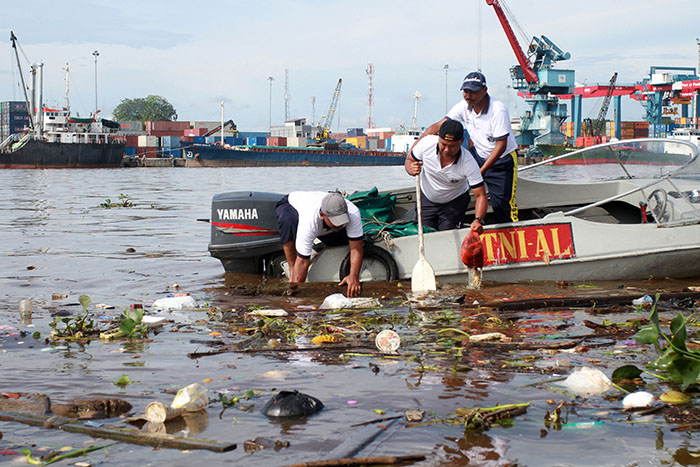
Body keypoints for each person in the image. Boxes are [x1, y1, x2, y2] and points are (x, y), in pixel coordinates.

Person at [415, 71, 519, 224]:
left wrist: (480, 172)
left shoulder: (498, 110)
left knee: (502, 206)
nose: (468, 95)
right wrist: (415, 149)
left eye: (473, 92)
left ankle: (510, 236)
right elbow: (439, 126)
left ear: (484, 91)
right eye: (465, 91)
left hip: (502, 160)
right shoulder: (464, 106)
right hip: (478, 154)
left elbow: (501, 145)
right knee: (460, 182)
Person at [405, 119, 488, 232]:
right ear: (438, 137)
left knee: (447, 235)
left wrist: (478, 220)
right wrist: (410, 168)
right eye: (443, 144)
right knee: (424, 234)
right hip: (427, 199)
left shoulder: (468, 162)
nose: (447, 150)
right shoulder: (426, 144)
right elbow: (409, 160)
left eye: (453, 146)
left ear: (461, 141)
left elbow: (480, 196)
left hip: (454, 202)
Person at [275, 191, 364, 296]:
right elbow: (303, 261)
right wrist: (295, 289)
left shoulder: (353, 212)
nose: (340, 224)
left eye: (342, 220)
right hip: (291, 205)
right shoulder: (309, 221)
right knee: (288, 221)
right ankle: (291, 268)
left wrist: (354, 276)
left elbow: (356, 248)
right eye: (336, 221)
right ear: (322, 215)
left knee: (343, 240)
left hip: (323, 220)